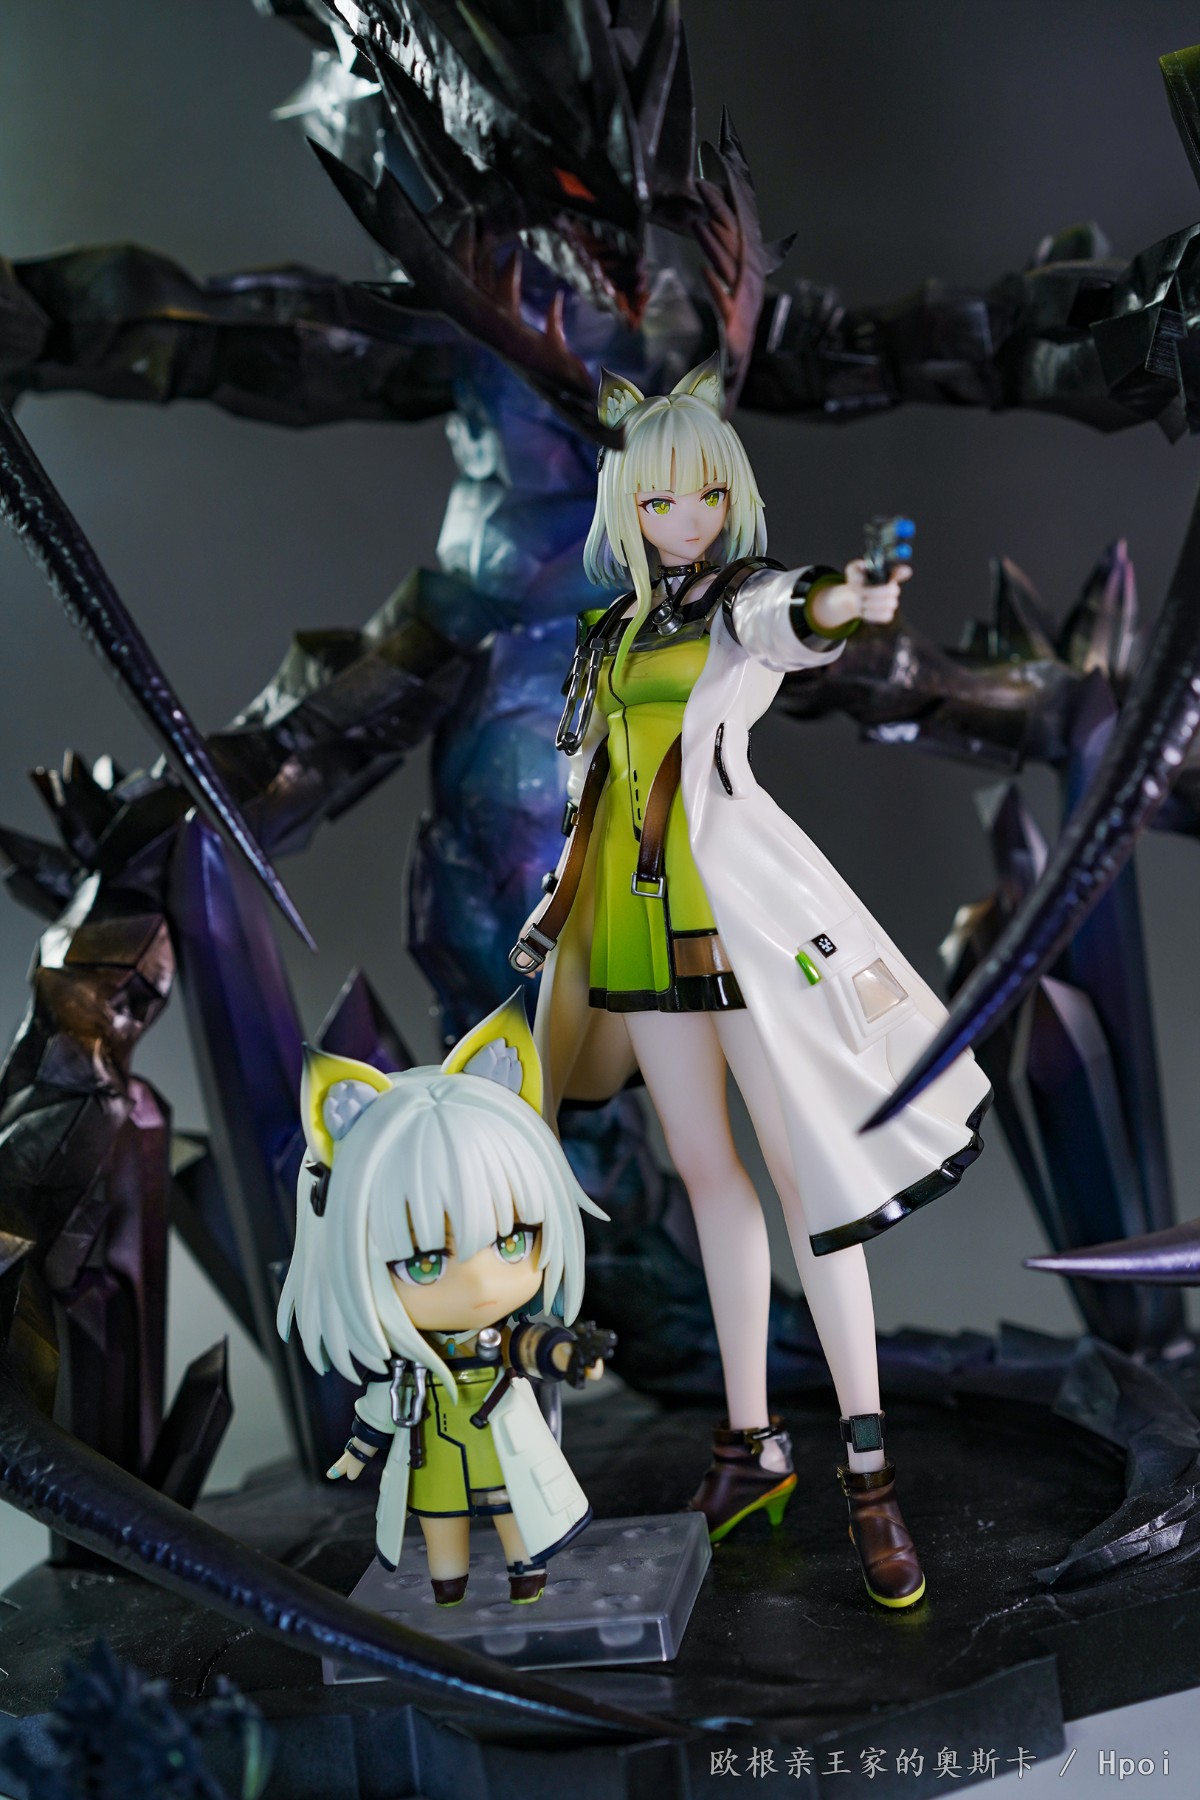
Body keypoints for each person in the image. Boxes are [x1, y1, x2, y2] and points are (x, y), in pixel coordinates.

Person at [512, 356, 991, 1609]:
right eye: (662, 500)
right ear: (628, 506)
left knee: (807, 1188)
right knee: (707, 1178)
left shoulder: (735, 604)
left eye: (708, 495)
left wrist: (847, 597)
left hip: (738, 924)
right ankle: (750, 1447)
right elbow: (588, 782)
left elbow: (794, 612)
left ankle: (870, 1478)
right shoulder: (610, 632)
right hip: (633, 927)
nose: (689, 519)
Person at [278, 994, 609, 1607]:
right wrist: (358, 1451)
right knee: (440, 1525)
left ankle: (526, 1577)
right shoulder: (409, 1364)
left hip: (501, 1445)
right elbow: (381, 1405)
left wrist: (572, 1357)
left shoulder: (495, 1337)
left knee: (516, 1513)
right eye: (425, 1263)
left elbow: (530, 1345)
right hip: (431, 1453)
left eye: (512, 1241)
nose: (480, 1286)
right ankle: (449, 1591)